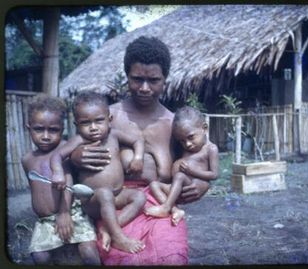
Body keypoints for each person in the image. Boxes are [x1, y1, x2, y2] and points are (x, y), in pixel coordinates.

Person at [70, 36, 211, 265]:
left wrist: (202, 184)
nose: (145, 88)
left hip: (159, 206)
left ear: (165, 79)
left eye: (153, 80)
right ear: (127, 76)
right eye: (137, 79)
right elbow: (67, 156)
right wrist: (76, 157)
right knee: (125, 260)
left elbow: (197, 162)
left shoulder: (174, 124)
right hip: (116, 207)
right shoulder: (106, 118)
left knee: (171, 257)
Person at [50, 91, 146, 254]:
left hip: (118, 194)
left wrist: (138, 158)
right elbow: (57, 156)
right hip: (93, 200)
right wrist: (58, 173)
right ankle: (119, 238)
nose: (93, 127)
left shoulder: (114, 135)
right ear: (77, 125)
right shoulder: (79, 140)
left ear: (109, 120)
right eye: (85, 123)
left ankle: (107, 229)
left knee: (139, 197)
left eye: (99, 120)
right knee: (104, 194)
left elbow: (138, 140)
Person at [21, 94, 100, 265]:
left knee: (88, 251)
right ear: (29, 128)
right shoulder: (27, 159)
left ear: (62, 129)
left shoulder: (65, 150)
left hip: (70, 212)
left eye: (53, 130)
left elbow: (68, 180)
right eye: (39, 129)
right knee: (39, 257)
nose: (46, 136)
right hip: (44, 221)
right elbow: (36, 189)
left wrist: (64, 213)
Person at [144, 106, 219, 225]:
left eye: (191, 137)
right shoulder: (188, 145)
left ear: (204, 128)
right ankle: (174, 209)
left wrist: (192, 171)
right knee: (154, 185)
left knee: (180, 176)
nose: (187, 144)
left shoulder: (210, 149)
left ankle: (165, 207)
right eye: (182, 141)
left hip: (189, 184)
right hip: (175, 187)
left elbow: (214, 174)